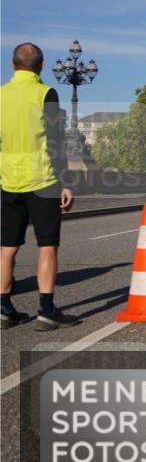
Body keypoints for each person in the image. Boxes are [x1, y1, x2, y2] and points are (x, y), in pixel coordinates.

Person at [1, 42, 80, 331]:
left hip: (8, 179)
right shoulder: (45, 93)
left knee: (7, 247)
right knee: (47, 246)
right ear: (42, 65)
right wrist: (66, 182)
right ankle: (46, 310)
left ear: (13, 65)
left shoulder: (1, 95)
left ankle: (4, 308)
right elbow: (56, 140)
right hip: (42, 180)